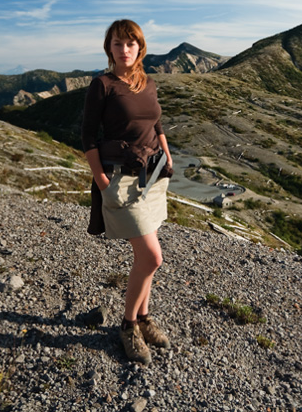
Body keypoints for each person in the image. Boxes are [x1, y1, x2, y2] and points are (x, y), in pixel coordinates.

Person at [81, 19, 173, 366]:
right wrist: (103, 182)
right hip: (120, 177)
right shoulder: (102, 85)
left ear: (140, 47)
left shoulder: (147, 82)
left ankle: (145, 318)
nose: (124, 50)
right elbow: (88, 136)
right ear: (110, 49)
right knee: (152, 257)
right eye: (118, 44)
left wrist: (167, 151)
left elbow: (156, 122)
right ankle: (128, 325)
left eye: (130, 43)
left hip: (153, 176)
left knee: (145, 258)